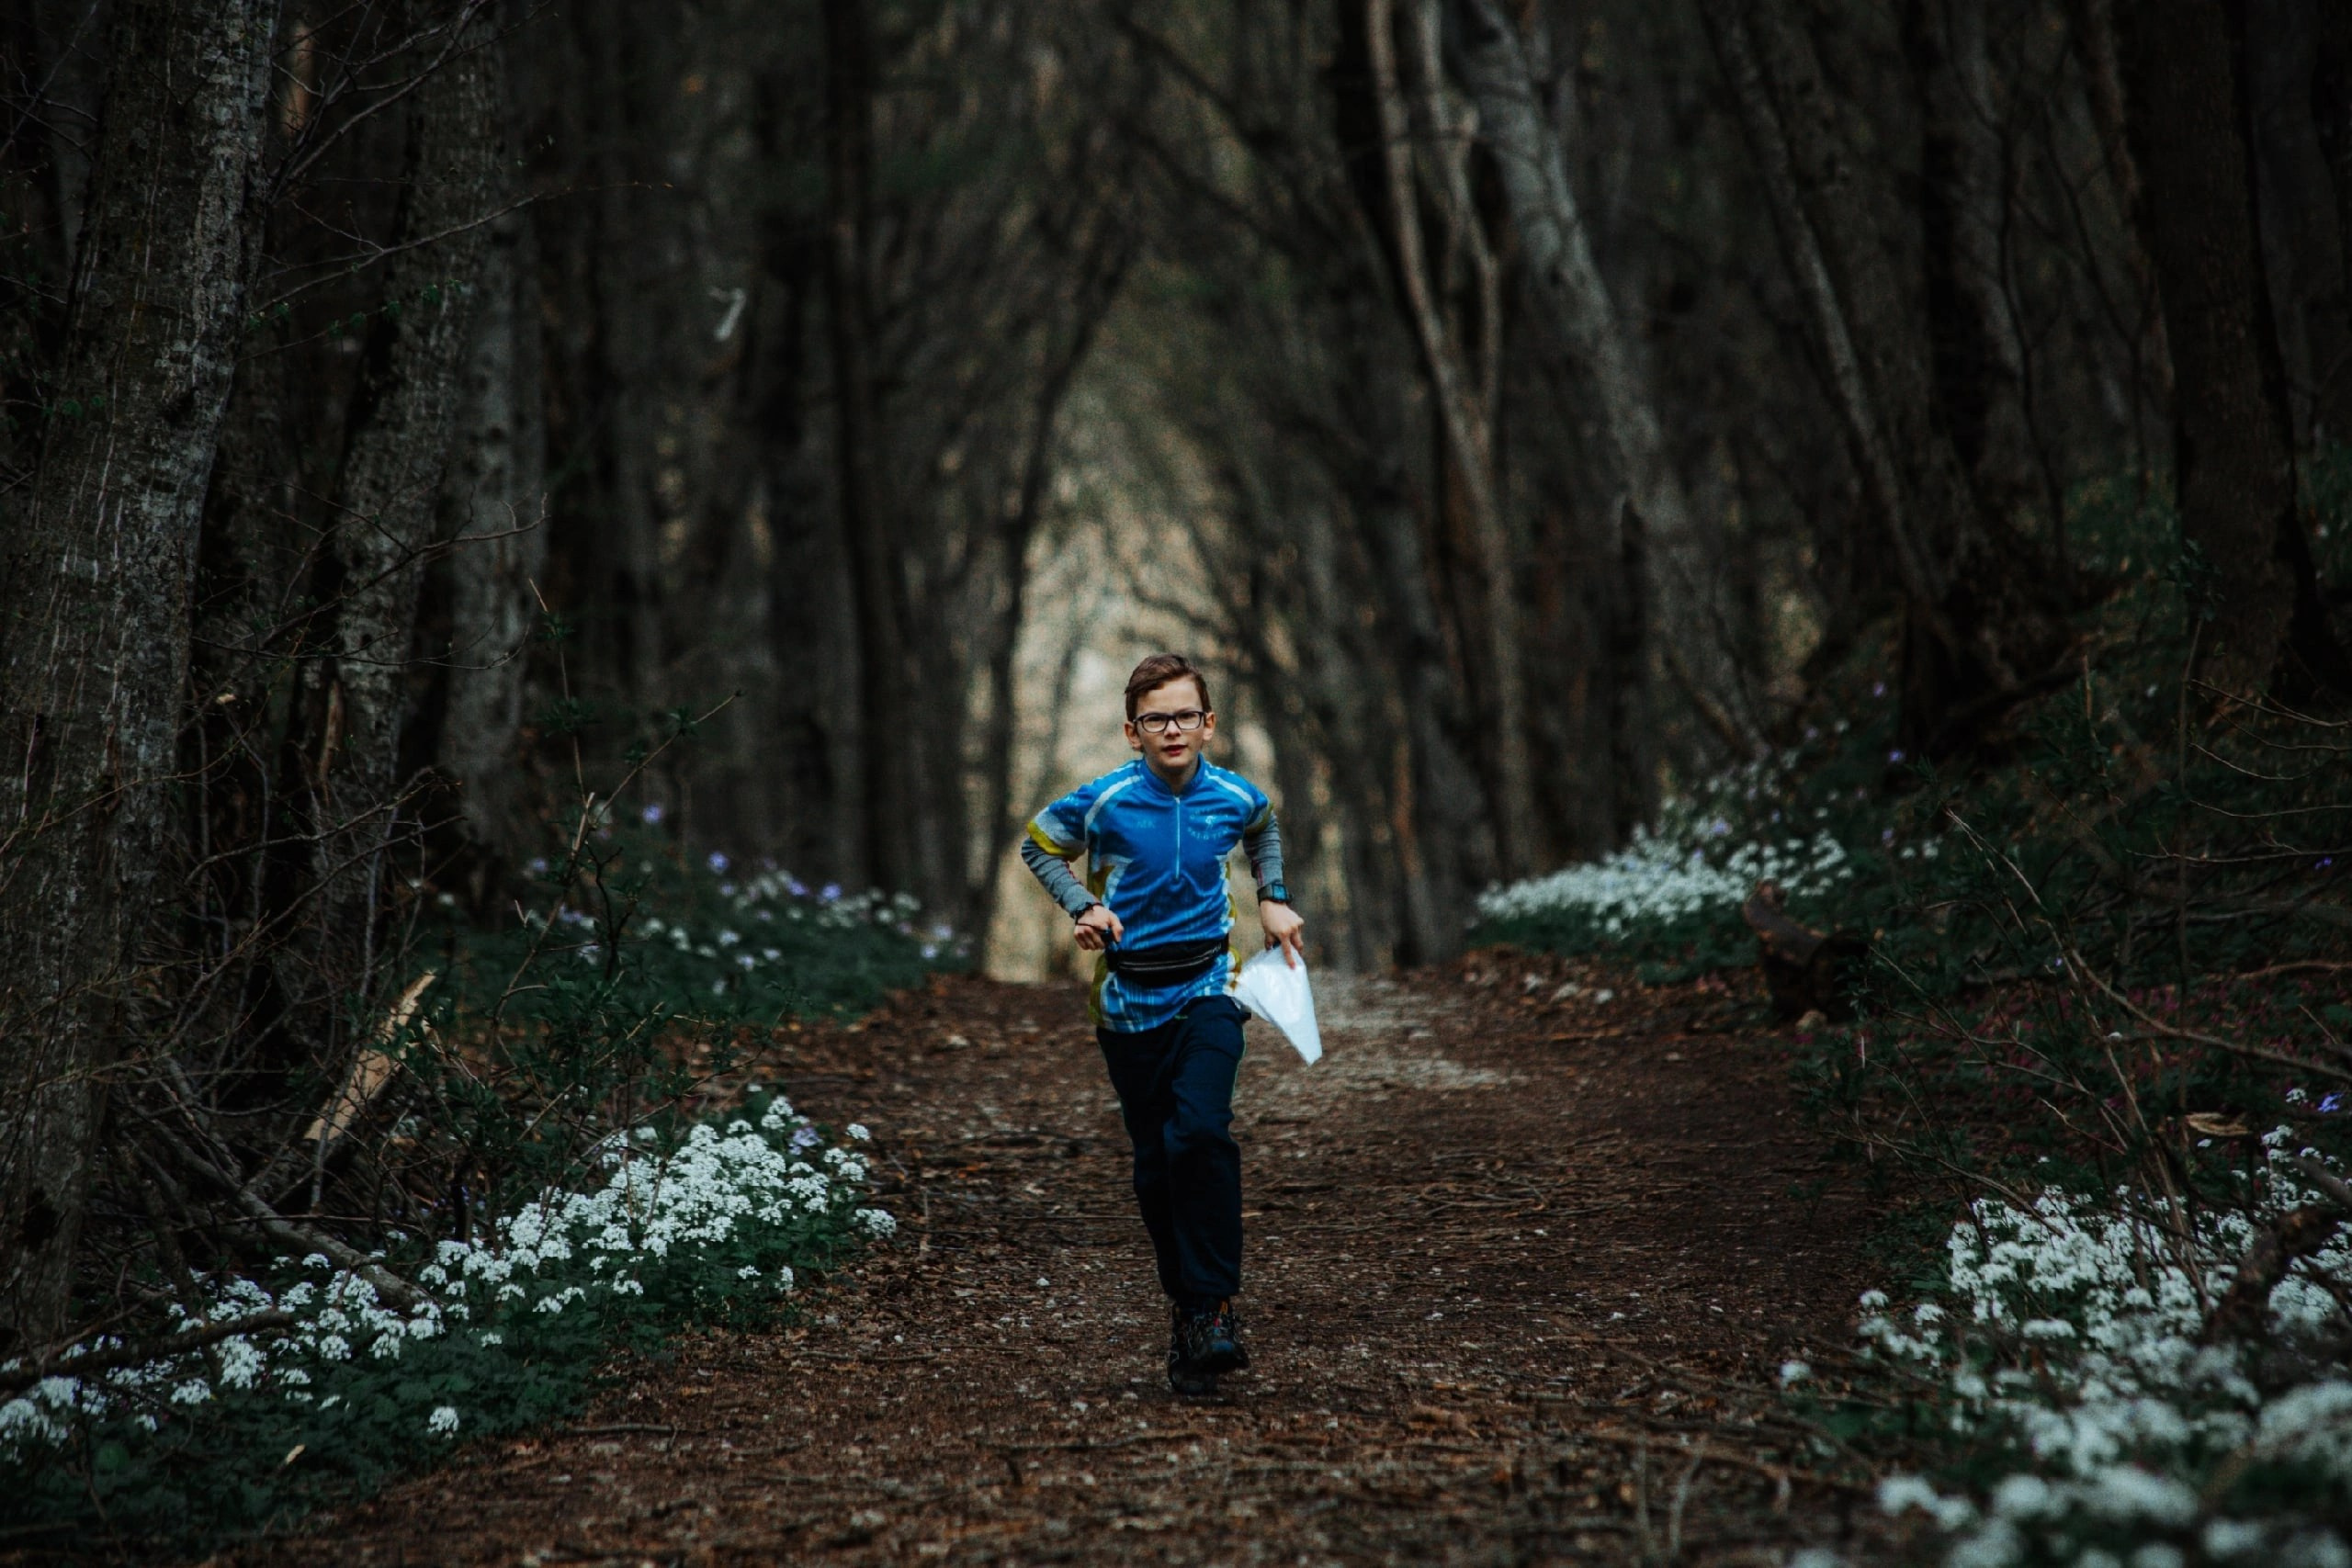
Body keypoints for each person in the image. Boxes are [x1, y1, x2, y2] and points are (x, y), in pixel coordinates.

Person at [1020, 653, 1306, 1395]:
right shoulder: (1106, 800)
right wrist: (1083, 905)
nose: (1172, 729)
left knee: (1201, 1131)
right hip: (1128, 1000)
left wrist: (1273, 896)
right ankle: (1187, 1310)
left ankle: (1213, 1307)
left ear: (1208, 724)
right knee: (1155, 1163)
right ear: (1132, 731)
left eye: (1185, 715)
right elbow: (1038, 844)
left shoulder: (1234, 795)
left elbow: (1263, 828)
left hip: (1211, 984)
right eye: (1156, 718)